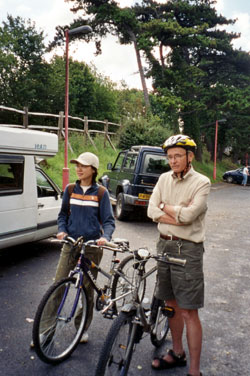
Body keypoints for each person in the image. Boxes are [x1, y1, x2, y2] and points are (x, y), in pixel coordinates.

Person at [148, 135, 211, 376]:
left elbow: (190, 217)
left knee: (189, 310)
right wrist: (172, 212)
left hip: (189, 250)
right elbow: (151, 210)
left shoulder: (202, 182)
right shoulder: (163, 179)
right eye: (170, 156)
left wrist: (165, 208)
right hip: (163, 246)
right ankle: (177, 353)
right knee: (171, 305)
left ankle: (194, 371)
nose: (173, 161)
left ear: (189, 156)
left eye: (178, 156)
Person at [56, 151, 115, 343]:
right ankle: (45, 330)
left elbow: (108, 221)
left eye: (83, 165)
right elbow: (63, 215)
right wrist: (62, 230)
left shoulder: (101, 193)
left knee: (87, 289)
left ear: (93, 170)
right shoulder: (70, 189)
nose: (78, 168)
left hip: (91, 247)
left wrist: (105, 237)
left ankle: (81, 327)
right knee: (58, 285)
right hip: (71, 244)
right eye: (77, 165)